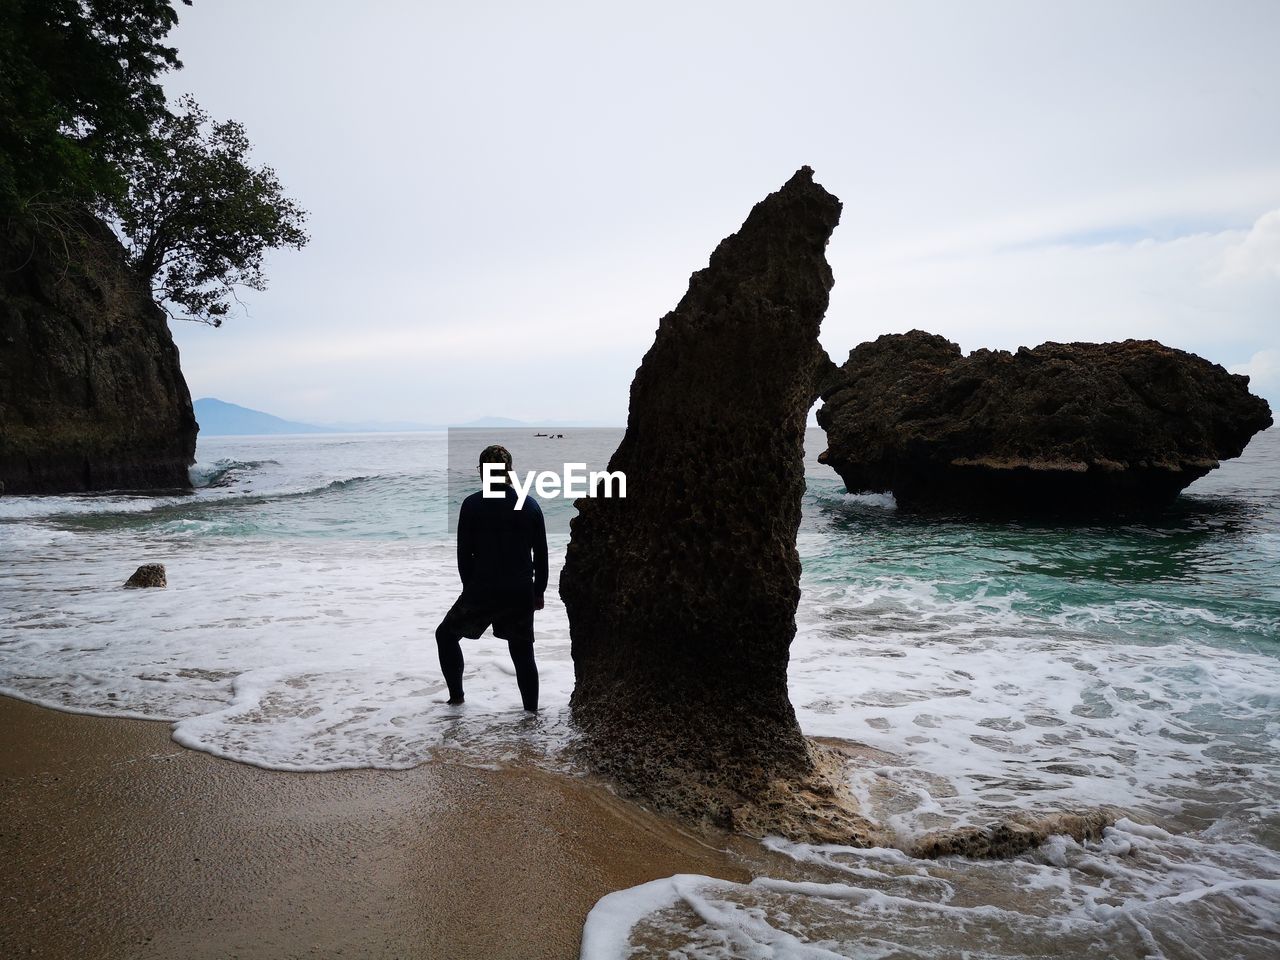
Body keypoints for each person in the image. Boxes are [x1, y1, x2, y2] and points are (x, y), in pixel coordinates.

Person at [435, 444, 548, 711]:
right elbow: (541, 555)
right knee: (522, 653)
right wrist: (538, 591)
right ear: (509, 471)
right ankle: (531, 715)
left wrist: (469, 590)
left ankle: (456, 698)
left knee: (446, 636)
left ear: (483, 472)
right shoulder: (529, 505)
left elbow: (464, 555)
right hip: (519, 589)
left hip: (483, 588)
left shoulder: (472, 505)